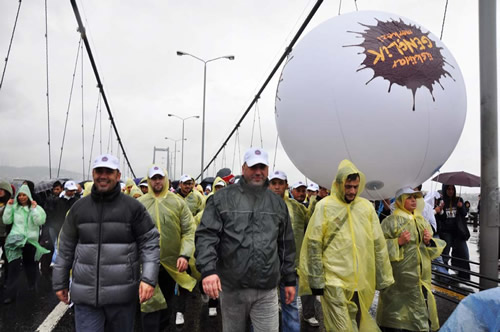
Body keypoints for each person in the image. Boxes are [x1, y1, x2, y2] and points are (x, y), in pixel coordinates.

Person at [52, 154, 160, 332]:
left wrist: (148, 279)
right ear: (93, 173)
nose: (103, 175)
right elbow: (65, 247)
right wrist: (60, 282)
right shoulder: (79, 208)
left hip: (122, 297)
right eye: (99, 171)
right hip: (86, 297)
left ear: (118, 176)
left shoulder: (133, 208)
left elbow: (150, 242)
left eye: (108, 171)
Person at [195, 147, 296, 332]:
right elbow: (206, 236)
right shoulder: (221, 199)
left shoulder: (278, 205)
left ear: (267, 170)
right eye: (253, 167)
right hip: (233, 288)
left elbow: (285, 245)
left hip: (266, 290)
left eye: (262, 167)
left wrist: (289, 280)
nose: (258, 172)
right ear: (243, 168)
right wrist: (208, 270)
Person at [299, 159, 394, 332]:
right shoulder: (324, 207)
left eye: (355, 187)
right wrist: (316, 281)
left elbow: (378, 244)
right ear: (338, 184)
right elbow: (313, 244)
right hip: (333, 281)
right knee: (341, 328)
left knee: (356, 324)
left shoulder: (366, 208)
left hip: (359, 281)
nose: (352, 191)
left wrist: (383, 277)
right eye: (348, 186)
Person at [377, 187, 446, 332]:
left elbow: (432, 251)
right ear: (401, 201)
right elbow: (378, 249)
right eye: (409, 197)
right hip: (397, 282)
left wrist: (429, 242)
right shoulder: (390, 222)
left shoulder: (421, 221)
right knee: (395, 318)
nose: (413, 200)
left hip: (420, 280)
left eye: (415, 197)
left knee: (417, 317)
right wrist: (397, 242)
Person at [138, 165, 196, 329]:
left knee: (166, 304)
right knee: (148, 306)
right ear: (149, 180)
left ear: (166, 179)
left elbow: (189, 231)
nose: (157, 181)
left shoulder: (178, 202)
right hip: (146, 264)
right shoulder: (139, 204)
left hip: (170, 264)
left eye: (160, 177)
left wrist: (184, 255)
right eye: (154, 178)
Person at [268, 170, 308, 332]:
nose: (277, 187)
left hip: (290, 267)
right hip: (266, 268)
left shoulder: (298, 209)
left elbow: (311, 230)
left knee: (290, 308)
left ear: (286, 185)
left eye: (280, 183)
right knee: (263, 311)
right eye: (273, 183)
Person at [2, 184, 49, 304]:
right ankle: (11, 295)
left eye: (24, 195)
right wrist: (8, 207)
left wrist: (33, 210)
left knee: (30, 266)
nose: (22, 197)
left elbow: (40, 221)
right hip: (16, 240)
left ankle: (32, 287)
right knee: (14, 267)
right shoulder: (14, 208)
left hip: (30, 240)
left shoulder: (36, 207)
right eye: (20, 195)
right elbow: (7, 220)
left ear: (28, 196)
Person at [436, 184, 471, 281]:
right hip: (446, 231)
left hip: (458, 231)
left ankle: (463, 275)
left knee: (463, 252)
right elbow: (441, 218)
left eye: (452, 189)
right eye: (448, 189)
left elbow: (464, 213)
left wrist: (461, 207)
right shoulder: (441, 201)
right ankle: (444, 275)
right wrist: (441, 210)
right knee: (445, 253)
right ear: (445, 190)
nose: (450, 191)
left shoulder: (459, 200)